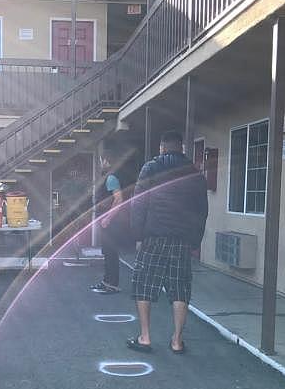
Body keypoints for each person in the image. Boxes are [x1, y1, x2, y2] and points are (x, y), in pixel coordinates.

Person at [126, 130, 208, 354]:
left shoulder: (150, 168)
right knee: (180, 288)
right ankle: (177, 341)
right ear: (181, 148)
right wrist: (195, 240)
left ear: (162, 147)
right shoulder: (195, 174)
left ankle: (145, 337)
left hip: (154, 235)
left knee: (143, 284)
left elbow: (138, 203)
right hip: (181, 240)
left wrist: (138, 235)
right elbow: (202, 211)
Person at [89, 143, 126, 294]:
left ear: (106, 161)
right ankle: (106, 282)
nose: (100, 163)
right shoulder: (107, 177)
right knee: (107, 252)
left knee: (111, 253)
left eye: (101, 160)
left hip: (110, 224)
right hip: (106, 222)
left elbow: (119, 199)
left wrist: (108, 219)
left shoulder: (111, 177)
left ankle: (112, 285)